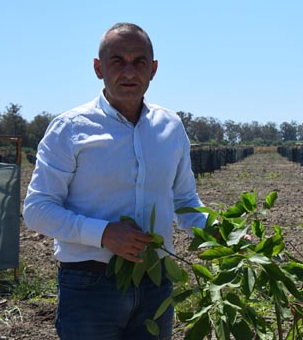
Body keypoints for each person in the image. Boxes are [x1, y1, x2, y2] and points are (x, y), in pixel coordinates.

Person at [23, 22, 207, 340]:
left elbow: (184, 200)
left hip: (155, 282)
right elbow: (37, 209)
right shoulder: (70, 128)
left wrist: (220, 235)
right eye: (117, 61)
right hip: (90, 285)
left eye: (139, 62)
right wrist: (104, 234)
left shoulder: (171, 127)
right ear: (98, 68)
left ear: (153, 69)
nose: (129, 72)